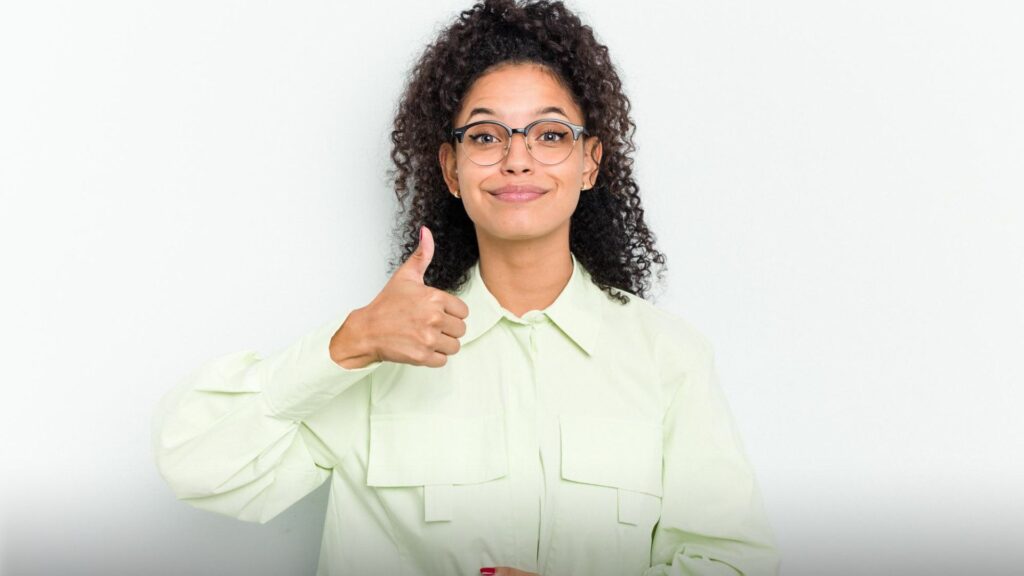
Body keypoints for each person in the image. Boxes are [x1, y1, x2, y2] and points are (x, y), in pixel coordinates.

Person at [151, 0, 780, 574]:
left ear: (591, 161)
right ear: (451, 168)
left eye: (550, 134)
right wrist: (350, 343)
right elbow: (198, 468)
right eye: (485, 135)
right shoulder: (379, 352)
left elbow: (735, 562)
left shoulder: (667, 357)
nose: (517, 159)